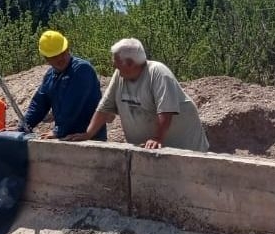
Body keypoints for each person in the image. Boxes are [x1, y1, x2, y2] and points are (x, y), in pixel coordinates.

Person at [67, 38, 209, 151]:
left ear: (129, 63)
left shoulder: (158, 73)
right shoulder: (119, 75)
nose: (113, 65)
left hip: (185, 150)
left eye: (116, 61)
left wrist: (156, 138)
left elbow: (166, 111)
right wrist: (88, 134)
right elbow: (105, 106)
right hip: (150, 152)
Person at [23, 30, 105, 140]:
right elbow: (38, 105)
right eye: (54, 56)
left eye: (62, 53)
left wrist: (58, 131)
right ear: (46, 58)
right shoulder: (50, 76)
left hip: (89, 140)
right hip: (66, 139)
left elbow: (73, 104)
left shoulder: (82, 69)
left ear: (67, 49)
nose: (59, 59)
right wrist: (22, 127)